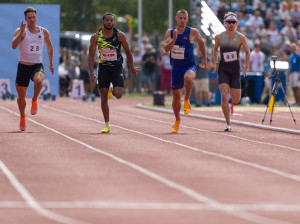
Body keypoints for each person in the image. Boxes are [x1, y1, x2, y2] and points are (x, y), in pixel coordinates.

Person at [88, 12, 139, 133]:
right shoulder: (96, 37)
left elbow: (128, 51)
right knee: (103, 97)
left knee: (119, 94)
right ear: (103, 21)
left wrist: (132, 67)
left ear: (114, 22)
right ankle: (107, 124)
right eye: (107, 20)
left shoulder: (120, 35)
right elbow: (90, 56)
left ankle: (112, 88)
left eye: (111, 20)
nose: (109, 22)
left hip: (116, 67)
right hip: (103, 68)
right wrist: (91, 73)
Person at [11, 6, 54, 131]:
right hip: (23, 66)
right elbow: (13, 46)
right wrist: (20, 33)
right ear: (25, 19)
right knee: (21, 98)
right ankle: (22, 117)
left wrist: (51, 63)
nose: (31, 20)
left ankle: (34, 100)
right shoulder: (20, 30)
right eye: (29, 18)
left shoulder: (43, 31)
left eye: (33, 17)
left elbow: (49, 46)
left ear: (36, 17)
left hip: (37, 65)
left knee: (39, 81)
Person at [164, 9, 207, 133]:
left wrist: (204, 58)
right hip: (176, 67)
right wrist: (174, 39)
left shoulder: (192, 32)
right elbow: (166, 49)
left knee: (189, 78)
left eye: (184, 18)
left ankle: (187, 99)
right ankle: (177, 120)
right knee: (176, 97)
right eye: (180, 18)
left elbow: (201, 43)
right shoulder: (170, 32)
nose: (182, 20)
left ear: (187, 20)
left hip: (189, 65)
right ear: (176, 18)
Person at [213, 12, 250, 131]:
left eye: (233, 22)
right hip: (223, 69)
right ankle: (228, 124)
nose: (231, 24)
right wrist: (215, 61)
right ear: (225, 23)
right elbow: (215, 50)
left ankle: (229, 117)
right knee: (224, 95)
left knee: (236, 99)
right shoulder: (219, 37)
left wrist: (246, 66)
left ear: (236, 23)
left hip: (234, 70)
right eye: (229, 22)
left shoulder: (241, 37)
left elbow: (248, 52)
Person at [194, 43, 213, 107]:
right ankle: (199, 103)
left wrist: (204, 66)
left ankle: (208, 103)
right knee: (198, 91)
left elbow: (211, 65)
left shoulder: (205, 57)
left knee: (205, 90)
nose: (199, 50)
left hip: (204, 76)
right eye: (198, 49)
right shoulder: (195, 57)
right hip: (196, 76)